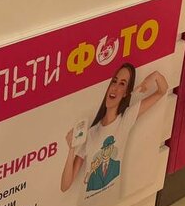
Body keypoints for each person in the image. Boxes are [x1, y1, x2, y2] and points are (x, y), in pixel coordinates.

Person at [59, 65, 168, 198]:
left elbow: (162, 90)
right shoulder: (91, 133)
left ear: (126, 93)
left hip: (113, 198)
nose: (115, 88)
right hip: (86, 205)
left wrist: (154, 76)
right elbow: (65, 186)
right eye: (114, 81)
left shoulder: (127, 118)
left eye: (122, 84)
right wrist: (71, 149)